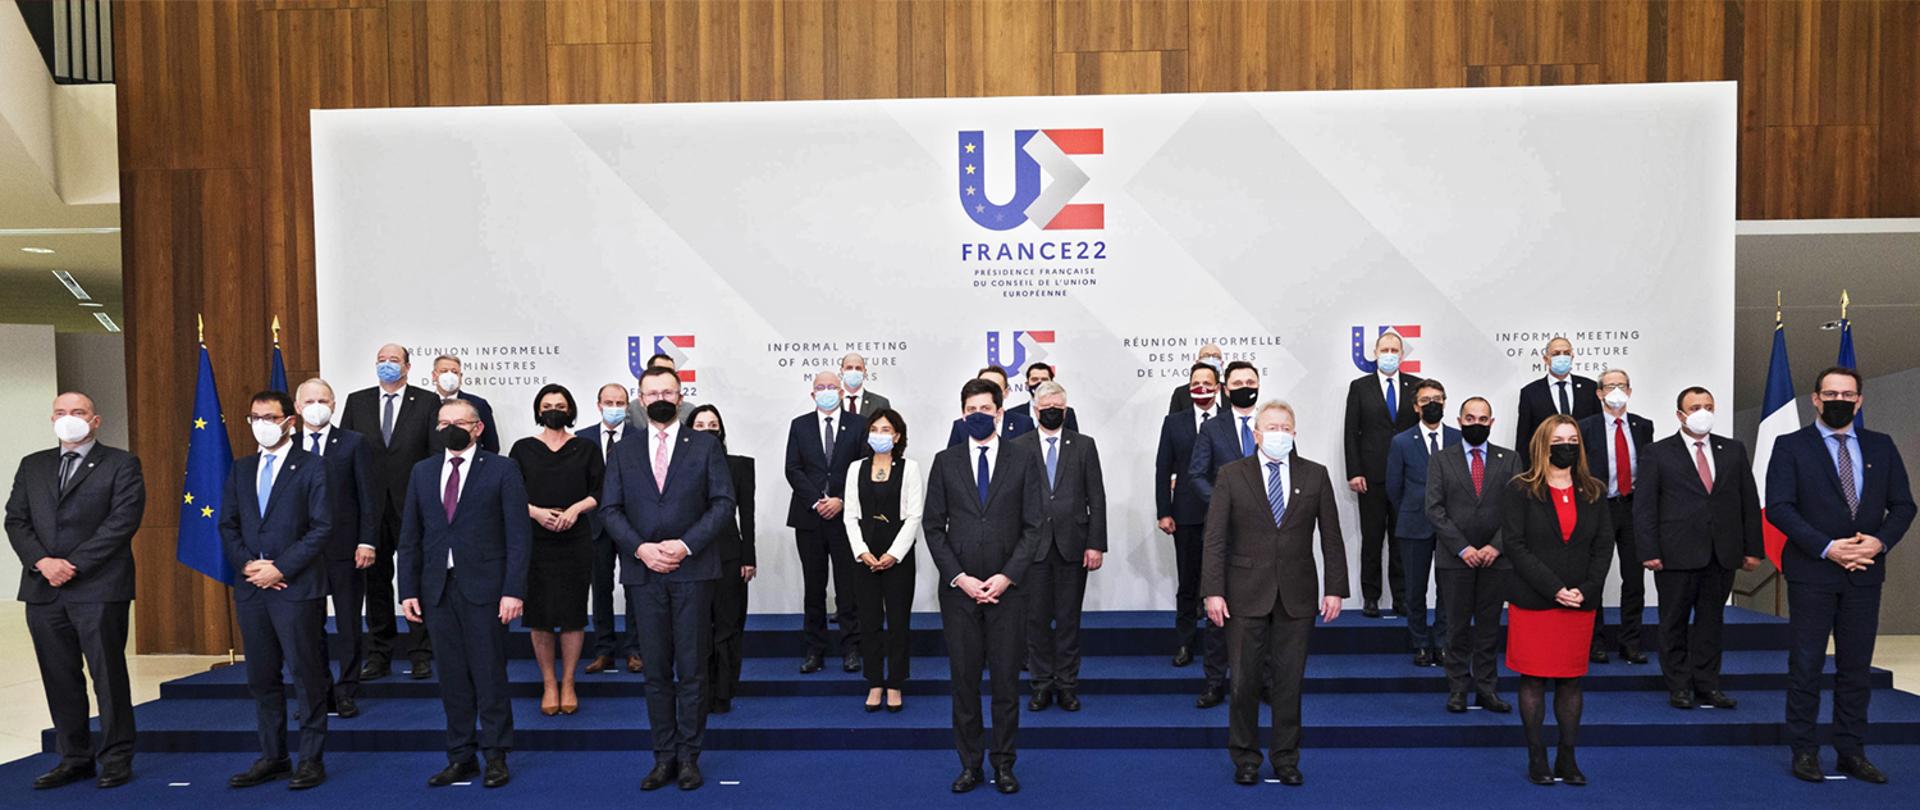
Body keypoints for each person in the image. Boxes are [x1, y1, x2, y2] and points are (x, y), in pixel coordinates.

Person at [1766, 366, 1913, 785]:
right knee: (1807, 665)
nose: (1839, 401)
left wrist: (1877, 543)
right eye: (1831, 393)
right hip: (1813, 571)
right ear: (1815, 399)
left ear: (1860, 401)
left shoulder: (1880, 446)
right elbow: (1779, 506)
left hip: (1865, 573)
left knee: (1856, 668)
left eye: (1848, 395)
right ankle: (1805, 751)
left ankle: (1851, 751)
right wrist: (1829, 548)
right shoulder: (1790, 446)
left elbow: (1903, 505)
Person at [602, 366, 736, 792]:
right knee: (656, 671)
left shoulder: (705, 446)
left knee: (693, 669)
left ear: (681, 397)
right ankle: (663, 756)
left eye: (668, 390)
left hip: (693, 571)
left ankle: (690, 756)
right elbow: (610, 510)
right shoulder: (624, 449)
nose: (659, 397)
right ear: (640, 399)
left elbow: (722, 503)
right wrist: (641, 548)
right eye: (651, 391)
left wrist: (684, 545)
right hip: (644, 573)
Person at [1201, 400, 1347, 787]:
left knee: (1289, 681)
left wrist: (1336, 588)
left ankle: (1286, 758)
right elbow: (1215, 538)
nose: (1278, 433)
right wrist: (1212, 591)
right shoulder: (1232, 474)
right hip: (1244, 592)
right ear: (1256, 434)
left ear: (1294, 433)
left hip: (1298, 595)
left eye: (1285, 427)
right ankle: (1245, 757)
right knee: (1244, 680)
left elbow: (1331, 536)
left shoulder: (1315, 474)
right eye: (1271, 427)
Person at [6, 392, 145, 790]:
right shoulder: (33, 465)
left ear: (95, 420)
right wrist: (42, 562)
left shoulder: (121, 463)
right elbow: (16, 520)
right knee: (59, 676)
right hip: (43, 588)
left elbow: (122, 521)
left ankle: (117, 755)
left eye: (79, 412)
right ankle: (74, 757)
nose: (70, 419)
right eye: (62, 413)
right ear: (52, 419)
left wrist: (74, 564)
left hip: (99, 587)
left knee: (108, 675)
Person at [397, 399, 530, 789]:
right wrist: (407, 589)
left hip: (487, 589)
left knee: (489, 674)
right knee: (451, 677)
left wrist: (513, 590)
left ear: (478, 429)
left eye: (459, 422)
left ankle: (495, 755)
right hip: (436, 589)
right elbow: (410, 538)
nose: (450, 428)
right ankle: (460, 755)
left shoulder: (503, 469)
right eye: (443, 423)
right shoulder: (422, 472)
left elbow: (518, 536)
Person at [924, 378, 1045, 794]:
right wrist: (960, 578)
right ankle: (970, 764)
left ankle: (1005, 764)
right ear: (962, 414)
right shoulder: (945, 461)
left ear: (1000, 411)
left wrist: (1006, 576)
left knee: (1007, 685)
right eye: (971, 409)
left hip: (1008, 591)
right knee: (964, 683)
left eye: (986, 409)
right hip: (960, 593)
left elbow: (1034, 525)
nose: (979, 415)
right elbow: (932, 526)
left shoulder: (1023, 458)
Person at [218, 391, 332, 791]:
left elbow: (321, 527)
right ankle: (273, 756)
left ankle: (311, 759)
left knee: (306, 674)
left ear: (290, 422)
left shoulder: (313, 466)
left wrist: (280, 567)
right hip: (252, 588)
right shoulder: (241, 468)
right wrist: (249, 566)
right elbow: (227, 525)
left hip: (295, 587)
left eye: (269, 416)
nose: (261, 424)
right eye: (254, 417)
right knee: (261, 676)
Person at [1502, 414, 1613, 787]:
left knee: (1570, 683)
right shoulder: (1520, 489)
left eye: (1572, 439)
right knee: (1533, 679)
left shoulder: (1594, 490)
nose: (1566, 445)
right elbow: (1515, 546)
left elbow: (1603, 546)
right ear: (1542, 444)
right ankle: (1537, 757)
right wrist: (1554, 588)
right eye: (1558, 439)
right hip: (1535, 600)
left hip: (1579, 601)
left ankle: (1567, 757)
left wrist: (1588, 588)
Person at [1634, 386, 1761, 711]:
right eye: (1694, 407)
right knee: (1672, 622)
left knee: (1711, 622)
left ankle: (1707, 685)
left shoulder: (1732, 450)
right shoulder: (1657, 452)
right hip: (1674, 554)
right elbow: (1645, 506)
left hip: (1722, 553)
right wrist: (1648, 549)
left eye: (1707, 406)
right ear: (1680, 414)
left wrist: (1753, 548)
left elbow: (1748, 500)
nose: (1702, 412)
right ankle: (1679, 686)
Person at [340, 343, 440, 681]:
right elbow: (345, 454)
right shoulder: (358, 401)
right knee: (375, 582)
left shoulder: (426, 402)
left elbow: (434, 457)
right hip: (369, 508)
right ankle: (379, 654)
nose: (387, 365)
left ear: (408, 367)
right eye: (381, 360)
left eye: (393, 360)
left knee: (416, 578)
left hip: (413, 505)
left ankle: (421, 653)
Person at [509, 385, 603, 717]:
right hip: (535, 541)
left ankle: (568, 682)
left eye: (560, 405)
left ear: (571, 409)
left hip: (575, 539)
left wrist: (575, 509)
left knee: (573, 615)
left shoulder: (586, 447)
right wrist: (535, 512)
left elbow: (600, 490)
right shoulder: (522, 448)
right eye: (547, 405)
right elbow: (510, 492)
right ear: (538, 410)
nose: (553, 410)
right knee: (541, 617)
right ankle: (549, 682)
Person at [1014, 381, 1106, 712]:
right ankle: (1040, 684)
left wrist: (1096, 544)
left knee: (1068, 621)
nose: (1052, 411)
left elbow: (1096, 496)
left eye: (1058, 407)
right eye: (1046, 406)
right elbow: (1011, 502)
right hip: (1032, 548)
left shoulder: (1083, 445)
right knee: (1035, 621)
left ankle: (1067, 685)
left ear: (1065, 411)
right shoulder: (1018, 446)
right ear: (1035, 410)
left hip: (1073, 545)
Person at [292, 379, 380, 718]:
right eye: (310, 400)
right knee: (304, 626)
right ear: (297, 407)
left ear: (334, 403)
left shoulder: (354, 443)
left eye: (324, 399)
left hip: (346, 548)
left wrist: (367, 540)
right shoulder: (288, 444)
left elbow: (367, 497)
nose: (317, 405)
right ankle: (316, 693)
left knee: (347, 624)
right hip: (300, 553)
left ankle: (346, 690)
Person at [1426, 396, 1516, 714]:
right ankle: (1458, 690)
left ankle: (1487, 690)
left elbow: (1518, 511)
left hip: (1497, 559)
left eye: (1482, 419)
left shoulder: (1510, 459)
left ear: (1491, 423)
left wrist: (1495, 546)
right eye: (1470, 418)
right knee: (1456, 628)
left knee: (1490, 628)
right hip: (1455, 559)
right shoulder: (1441, 459)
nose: (1476, 424)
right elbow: (1434, 509)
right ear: (1460, 420)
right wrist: (1463, 547)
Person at [1185, 360, 1262, 708]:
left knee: (1264, 613)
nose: (1245, 386)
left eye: (1251, 380)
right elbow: (1196, 474)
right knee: (1218, 614)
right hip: (1224, 535)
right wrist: (1221, 502)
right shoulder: (1212, 428)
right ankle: (1215, 682)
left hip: (1266, 537)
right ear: (1226, 389)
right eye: (1238, 382)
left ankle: (1263, 681)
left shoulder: (1271, 424)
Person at [786, 369, 869, 674]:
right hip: (809, 518)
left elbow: (863, 467)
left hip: (846, 518)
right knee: (814, 587)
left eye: (831, 386)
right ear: (812, 394)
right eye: (820, 387)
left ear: (842, 391)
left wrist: (840, 500)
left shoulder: (859, 425)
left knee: (848, 587)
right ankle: (814, 650)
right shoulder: (800, 425)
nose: (826, 391)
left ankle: (851, 649)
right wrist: (817, 501)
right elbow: (793, 469)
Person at [842, 408, 921, 713]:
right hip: (864, 554)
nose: (880, 434)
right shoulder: (855, 469)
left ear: (897, 435)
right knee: (870, 621)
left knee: (898, 622)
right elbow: (850, 515)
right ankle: (875, 681)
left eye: (886, 430)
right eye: (875, 429)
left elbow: (914, 515)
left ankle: (896, 682)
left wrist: (893, 554)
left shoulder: (910, 468)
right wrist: (861, 552)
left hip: (897, 554)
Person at [1577, 369, 1655, 664]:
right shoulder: (1586, 427)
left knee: (1634, 579)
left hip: (1634, 508)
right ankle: (1594, 641)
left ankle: (1630, 642)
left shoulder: (1643, 426)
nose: (1616, 391)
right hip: (1600, 507)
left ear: (1630, 391)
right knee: (1594, 576)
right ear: (1599, 393)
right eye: (1610, 386)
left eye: (1621, 385)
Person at [1344, 330, 1423, 619]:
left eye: (1395, 349)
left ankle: (1402, 597)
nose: (1389, 354)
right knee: (1373, 539)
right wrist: (1355, 471)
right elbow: (1351, 432)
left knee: (1402, 539)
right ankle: (1371, 597)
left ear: (1402, 355)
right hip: (1371, 476)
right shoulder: (1360, 387)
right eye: (1384, 349)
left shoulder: (1415, 386)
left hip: (1407, 477)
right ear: (1375, 353)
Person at [1155, 363, 1223, 678]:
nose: (1201, 387)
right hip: (1185, 513)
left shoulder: (1229, 419)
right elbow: (1162, 468)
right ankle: (1185, 642)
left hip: (1225, 511)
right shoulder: (1174, 422)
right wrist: (1164, 511)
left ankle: (1222, 644)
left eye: (1207, 382)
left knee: (1222, 583)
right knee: (1188, 582)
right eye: (1196, 382)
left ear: (1218, 386)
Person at [687, 405, 756, 714]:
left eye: (713, 424)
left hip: (730, 555)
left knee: (728, 626)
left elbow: (748, 516)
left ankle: (724, 691)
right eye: (700, 425)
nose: (707, 429)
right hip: (690, 557)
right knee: (696, 627)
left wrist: (748, 557)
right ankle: (699, 690)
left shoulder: (739, 466)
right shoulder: (676, 468)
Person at [1383, 378, 1454, 666]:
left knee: (1448, 588)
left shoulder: (1458, 438)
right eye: (1425, 400)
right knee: (1415, 588)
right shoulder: (1401, 441)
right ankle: (1420, 643)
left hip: (1452, 526)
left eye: (1437, 398)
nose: (1432, 404)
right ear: (1416, 406)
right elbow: (1393, 486)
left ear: (1445, 402)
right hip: (1414, 524)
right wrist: (1413, 511)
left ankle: (1443, 641)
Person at [577, 383, 642, 674]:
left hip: (631, 526)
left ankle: (635, 650)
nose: (614, 407)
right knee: (600, 589)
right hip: (594, 527)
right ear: (598, 404)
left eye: (620, 402)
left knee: (634, 589)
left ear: (628, 406)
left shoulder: (640, 438)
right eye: (609, 402)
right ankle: (603, 650)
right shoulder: (581, 439)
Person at [1515, 336, 1599, 470]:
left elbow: (1597, 431)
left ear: (1572, 356)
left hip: (1585, 467)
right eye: (1556, 354)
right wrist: (1525, 471)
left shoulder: (1590, 388)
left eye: (1566, 353)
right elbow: (1524, 437)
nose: (1562, 357)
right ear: (1546, 359)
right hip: (1545, 466)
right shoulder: (1530, 392)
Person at [946, 366, 1035, 446]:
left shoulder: (1023, 423)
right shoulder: (961, 425)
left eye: (995, 388)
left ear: (1006, 392)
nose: (988, 393)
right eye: (982, 387)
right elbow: (952, 460)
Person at [430, 355, 500, 453]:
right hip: (432, 465)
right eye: (444, 371)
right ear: (434, 376)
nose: (450, 376)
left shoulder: (478, 404)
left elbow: (491, 445)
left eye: (455, 372)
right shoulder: (424, 404)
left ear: (460, 377)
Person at [1006, 363, 1081, 433]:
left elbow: (1074, 442)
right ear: (1027, 385)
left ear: (1052, 383)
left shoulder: (1067, 413)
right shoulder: (1013, 413)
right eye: (1034, 379)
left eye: (1044, 379)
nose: (1040, 383)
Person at [1167, 344, 1225, 414]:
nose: (1211, 359)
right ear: (1197, 362)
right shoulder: (1181, 393)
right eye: (1206, 356)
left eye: (1216, 356)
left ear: (1222, 363)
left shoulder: (1229, 391)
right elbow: (1174, 421)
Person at [839, 352, 892, 418]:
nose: (854, 371)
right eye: (849, 368)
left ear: (864, 372)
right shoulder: (832, 401)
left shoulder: (881, 403)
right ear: (842, 371)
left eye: (858, 368)